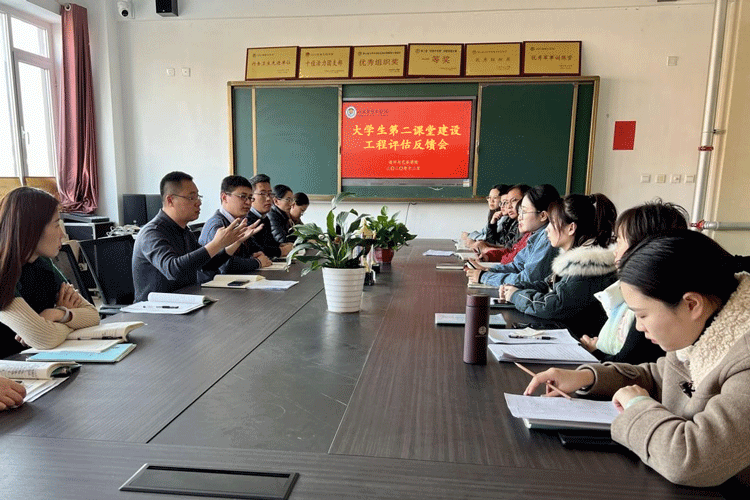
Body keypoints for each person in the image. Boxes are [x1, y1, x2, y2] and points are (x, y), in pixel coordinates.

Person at [524, 230, 750, 488]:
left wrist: (637, 406)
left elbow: (690, 460)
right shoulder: (703, 329)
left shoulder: (743, 357)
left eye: (642, 315)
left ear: (691, 305)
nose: (639, 328)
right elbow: (661, 377)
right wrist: (587, 377)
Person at [579, 200, 688, 363]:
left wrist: (594, 351)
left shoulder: (653, 300)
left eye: (619, 242)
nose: (615, 250)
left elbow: (627, 362)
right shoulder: (627, 290)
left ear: (642, 247)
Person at [497, 193, 618, 338]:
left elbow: (554, 306)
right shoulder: (576, 259)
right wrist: (516, 287)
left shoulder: (586, 266)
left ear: (571, 228)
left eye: (552, 223)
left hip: (580, 341)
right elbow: (548, 285)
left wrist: (516, 295)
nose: (547, 229)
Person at [0, 187, 100, 351]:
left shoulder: (41, 262)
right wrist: (68, 321)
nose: (62, 234)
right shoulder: (3, 271)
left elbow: (93, 315)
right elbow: (45, 338)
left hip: (39, 359)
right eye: (56, 225)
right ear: (32, 229)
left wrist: (59, 313)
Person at [132, 171, 256, 302]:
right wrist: (216, 244)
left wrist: (235, 242)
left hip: (187, 301)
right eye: (192, 197)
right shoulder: (152, 232)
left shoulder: (185, 231)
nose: (199, 202)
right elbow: (173, 270)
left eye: (198, 197)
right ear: (170, 200)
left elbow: (206, 265)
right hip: (155, 309)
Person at [466, 184, 560, 287]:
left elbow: (526, 280)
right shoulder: (535, 235)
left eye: (524, 211)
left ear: (543, 215)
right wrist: (489, 270)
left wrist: (484, 277)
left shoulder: (547, 239)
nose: (520, 217)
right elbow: (516, 266)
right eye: (520, 212)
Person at [199, 175, 271, 273]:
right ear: (224, 197)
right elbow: (225, 265)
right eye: (243, 197)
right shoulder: (217, 225)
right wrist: (257, 262)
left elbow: (256, 250)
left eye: (250, 197)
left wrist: (256, 255)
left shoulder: (240, 222)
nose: (248, 202)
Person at [245, 174, 293, 258]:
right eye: (262, 193)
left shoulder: (264, 218)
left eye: (270, 193)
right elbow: (256, 250)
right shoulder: (246, 219)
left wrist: (281, 245)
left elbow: (270, 243)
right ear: (251, 196)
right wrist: (281, 251)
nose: (268, 198)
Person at [478, 184, 530, 259]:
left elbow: (513, 253)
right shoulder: (510, 221)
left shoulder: (528, 226)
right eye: (507, 202)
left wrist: (487, 249)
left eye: (514, 200)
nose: (508, 206)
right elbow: (508, 247)